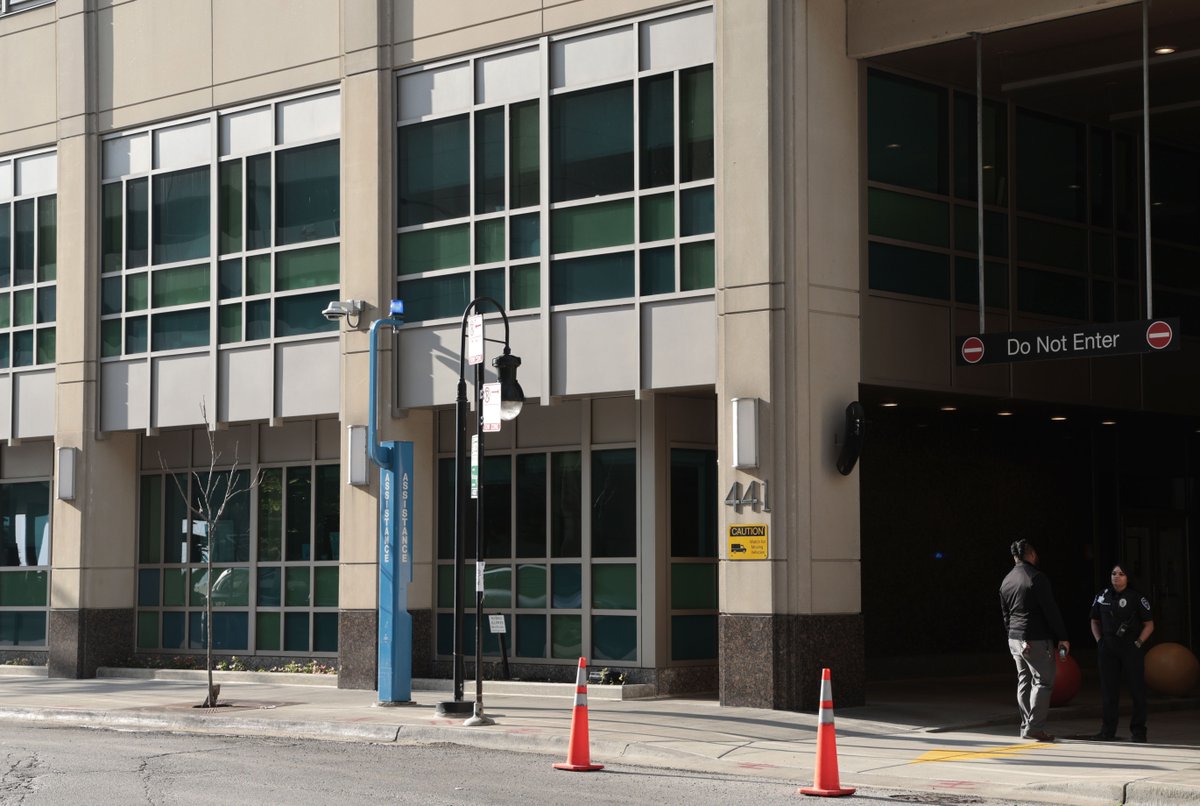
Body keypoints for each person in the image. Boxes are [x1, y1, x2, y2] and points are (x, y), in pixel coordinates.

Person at [999, 539, 1071, 742]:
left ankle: (1026, 726)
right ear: (1031, 554)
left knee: (1024, 680)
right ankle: (1035, 727)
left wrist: (1013, 636)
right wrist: (1063, 637)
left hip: (1014, 638)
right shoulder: (1037, 578)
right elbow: (1051, 610)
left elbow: (1005, 615)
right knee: (1043, 681)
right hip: (1036, 638)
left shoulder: (1006, 581)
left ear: (1014, 557)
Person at [1090, 563, 1154, 743]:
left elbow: (1149, 625)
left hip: (1130, 647)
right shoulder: (1102, 596)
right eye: (1113, 573)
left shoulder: (1137, 597)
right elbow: (1094, 620)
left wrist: (1139, 642)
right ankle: (1107, 731)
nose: (1116, 577)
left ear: (1128, 577)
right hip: (1108, 647)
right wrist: (1100, 641)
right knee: (1109, 691)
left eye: (1121, 574)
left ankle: (1139, 731)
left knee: (1137, 690)